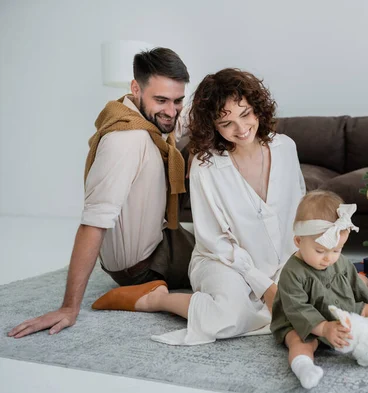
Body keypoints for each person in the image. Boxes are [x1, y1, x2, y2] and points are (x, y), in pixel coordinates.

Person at [89, 68, 306, 345]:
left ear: (257, 108)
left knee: (311, 305)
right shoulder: (207, 166)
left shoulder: (285, 148)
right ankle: (158, 300)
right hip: (222, 260)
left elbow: (300, 211)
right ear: (213, 125)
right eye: (226, 123)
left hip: (279, 260)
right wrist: (264, 287)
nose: (241, 129)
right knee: (228, 318)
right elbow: (215, 241)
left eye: (245, 113)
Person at [8, 47, 194, 339]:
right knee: (230, 264)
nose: (171, 111)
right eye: (161, 100)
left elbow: (182, 122)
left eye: (178, 100)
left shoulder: (140, 116)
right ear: (136, 88)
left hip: (161, 238)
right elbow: (93, 224)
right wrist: (69, 308)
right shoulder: (126, 141)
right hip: (144, 266)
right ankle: (147, 297)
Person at [270, 190, 368, 389]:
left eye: (336, 250)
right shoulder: (292, 273)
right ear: (298, 241)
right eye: (320, 250)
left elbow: (358, 290)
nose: (328, 258)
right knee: (299, 340)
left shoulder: (340, 262)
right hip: (303, 323)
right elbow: (297, 309)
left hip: (341, 310)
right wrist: (323, 328)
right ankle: (304, 367)